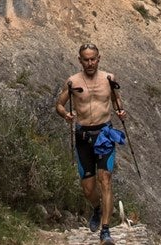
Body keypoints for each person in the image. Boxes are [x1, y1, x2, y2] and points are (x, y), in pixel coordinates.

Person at [55, 43, 125, 240]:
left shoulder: (109, 79)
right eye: (86, 59)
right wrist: (66, 114)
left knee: (106, 180)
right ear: (80, 60)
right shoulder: (72, 81)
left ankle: (105, 230)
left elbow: (116, 100)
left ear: (98, 58)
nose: (90, 62)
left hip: (104, 134)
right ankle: (97, 208)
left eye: (93, 58)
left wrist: (120, 109)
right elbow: (59, 105)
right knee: (88, 189)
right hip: (83, 137)